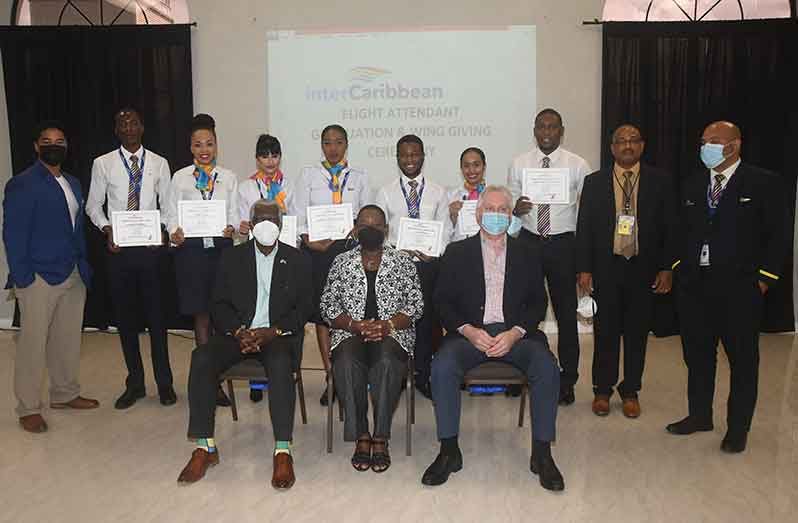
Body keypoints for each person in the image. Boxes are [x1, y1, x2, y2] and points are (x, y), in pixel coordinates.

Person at [422, 185, 563, 491]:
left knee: (547, 367)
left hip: (516, 336)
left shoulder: (528, 252)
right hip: (470, 335)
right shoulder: (457, 252)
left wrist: (515, 333)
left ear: (511, 216)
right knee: (442, 367)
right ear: (478, 213)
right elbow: (442, 301)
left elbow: (539, 302)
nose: (496, 215)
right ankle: (449, 451)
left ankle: (542, 454)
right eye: (490, 209)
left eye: (503, 210)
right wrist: (469, 331)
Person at [666, 121, 789, 453]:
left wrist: (764, 280)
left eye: (714, 141)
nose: (706, 146)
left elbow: (778, 237)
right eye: (704, 140)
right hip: (694, 286)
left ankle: (738, 429)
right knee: (698, 357)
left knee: (743, 361)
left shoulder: (763, 183)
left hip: (740, 288)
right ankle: (699, 415)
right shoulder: (693, 184)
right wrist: (679, 267)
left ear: (734, 145)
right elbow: (679, 231)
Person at [177, 200, 312, 488]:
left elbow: (304, 309)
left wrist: (272, 332)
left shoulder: (297, 259)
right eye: (260, 219)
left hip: (276, 336)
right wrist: (239, 332)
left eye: (272, 220)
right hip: (238, 335)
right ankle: (205, 447)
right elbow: (219, 303)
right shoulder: (232, 258)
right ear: (250, 225)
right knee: (202, 357)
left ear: (281, 225)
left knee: (279, 364)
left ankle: (282, 451)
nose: (266, 225)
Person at [575, 124, 678, 419]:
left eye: (633, 140)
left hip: (644, 268)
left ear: (643, 146)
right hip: (606, 267)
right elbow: (584, 229)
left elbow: (671, 228)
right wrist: (583, 268)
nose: (628, 146)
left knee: (637, 332)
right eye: (621, 141)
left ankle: (631, 389)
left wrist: (667, 267)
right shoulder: (594, 182)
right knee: (605, 331)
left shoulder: (661, 182)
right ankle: (602, 390)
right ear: (612, 148)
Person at [2, 120, 98, 433]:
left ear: (66, 148)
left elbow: (75, 228)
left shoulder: (73, 182)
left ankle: (64, 393)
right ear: (37, 147)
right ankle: (28, 406)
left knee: (67, 338)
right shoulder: (23, 183)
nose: (53, 145)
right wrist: (23, 277)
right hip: (38, 276)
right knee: (33, 343)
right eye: (47, 140)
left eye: (59, 140)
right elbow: (13, 233)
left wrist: (82, 263)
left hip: (72, 272)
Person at [321, 205, 423, 473]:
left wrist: (388, 325)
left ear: (386, 230)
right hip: (350, 332)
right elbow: (327, 305)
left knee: (388, 362)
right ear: (355, 229)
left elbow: (416, 305)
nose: (370, 230)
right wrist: (354, 325)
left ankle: (380, 436)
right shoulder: (341, 262)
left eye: (376, 225)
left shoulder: (402, 261)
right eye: (364, 225)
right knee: (344, 362)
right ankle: (361, 435)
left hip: (393, 333)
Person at [86, 108, 175, 409]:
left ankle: (165, 384)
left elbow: (169, 206)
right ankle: (135, 383)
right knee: (126, 320)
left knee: (157, 319)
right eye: (122, 123)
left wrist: (162, 231)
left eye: (134, 122)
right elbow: (93, 206)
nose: (129, 127)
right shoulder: (103, 164)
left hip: (151, 252)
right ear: (116, 130)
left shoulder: (160, 164)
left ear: (142, 126)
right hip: (119, 252)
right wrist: (106, 228)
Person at [508, 109, 592, 406]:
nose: (546, 131)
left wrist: (584, 259)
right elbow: (512, 212)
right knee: (523, 312)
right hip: (528, 242)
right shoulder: (519, 163)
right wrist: (515, 209)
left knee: (566, 316)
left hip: (563, 245)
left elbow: (588, 212)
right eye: (541, 126)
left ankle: (567, 380)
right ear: (534, 130)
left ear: (561, 130)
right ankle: (519, 373)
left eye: (552, 126)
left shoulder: (578, 165)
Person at [293, 124, 371, 406]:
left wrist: (358, 229)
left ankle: (351, 372)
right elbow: (298, 214)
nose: (333, 148)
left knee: (349, 312)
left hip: (350, 252)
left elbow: (367, 215)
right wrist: (307, 238)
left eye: (338, 142)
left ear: (346, 144)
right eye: (327, 142)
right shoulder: (308, 175)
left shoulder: (360, 176)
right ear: (322, 145)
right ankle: (332, 378)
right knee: (324, 315)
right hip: (318, 253)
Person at [166, 113, 239, 406]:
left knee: (222, 316)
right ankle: (208, 382)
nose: (204, 149)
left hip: (221, 251)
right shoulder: (180, 177)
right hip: (192, 253)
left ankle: (221, 377)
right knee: (201, 316)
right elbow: (170, 213)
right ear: (191, 147)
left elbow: (234, 212)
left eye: (209, 143)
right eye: (198, 144)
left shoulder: (229, 177)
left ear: (217, 145)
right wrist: (175, 231)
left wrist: (232, 227)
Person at [375, 134, 448, 399]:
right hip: (397, 266)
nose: (410, 160)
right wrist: (395, 250)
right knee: (398, 322)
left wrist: (434, 252)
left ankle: (424, 374)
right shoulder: (385, 191)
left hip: (428, 267)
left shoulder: (439, 192)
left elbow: (446, 231)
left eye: (414, 154)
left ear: (423, 157)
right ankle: (396, 373)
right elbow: (378, 230)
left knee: (428, 323)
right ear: (397, 158)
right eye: (404, 155)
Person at [237, 133, 293, 403]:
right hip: (255, 256)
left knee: (277, 309)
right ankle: (255, 379)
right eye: (264, 155)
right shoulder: (246, 188)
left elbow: (298, 218)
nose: (270, 161)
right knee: (255, 308)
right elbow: (239, 218)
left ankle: (279, 368)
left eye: (274, 155)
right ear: (257, 158)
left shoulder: (290, 185)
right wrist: (242, 226)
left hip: (284, 256)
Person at [447, 147, 487, 243]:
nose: (471, 170)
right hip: (459, 251)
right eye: (466, 166)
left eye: (476, 165)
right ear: (461, 169)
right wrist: (451, 217)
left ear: (484, 167)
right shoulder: (449, 196)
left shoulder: (494, 196)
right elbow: (444, 234)